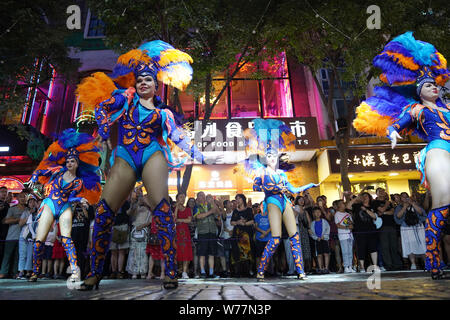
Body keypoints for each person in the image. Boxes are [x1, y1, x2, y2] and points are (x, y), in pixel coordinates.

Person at [76, 40, 218, 290]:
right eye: (140, 79)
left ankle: (170, 272)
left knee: (162, 209)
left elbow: (177, 137)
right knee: (103, 212)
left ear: (156, 86)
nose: (143, 82)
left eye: (148, 80)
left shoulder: (164, 115)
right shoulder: (125, 99)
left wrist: (202, 155)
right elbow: (100, 109)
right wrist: (104, 124)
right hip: (125, 156)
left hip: (152, 154)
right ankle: (95, 272)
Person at [353, 31, 450, 279]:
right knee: (444, 204)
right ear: (419, 91)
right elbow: (398, 125)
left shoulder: (447, 107)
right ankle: (433, 261)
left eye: (435, 85)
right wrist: (394, 133)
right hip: (437, 151)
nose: (434, 88)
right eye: (429, 86)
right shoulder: (416, 109)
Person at [242, 118, 319, 281]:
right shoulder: (261, 174)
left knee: (294, 236)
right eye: (269, 155)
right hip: (272, 202)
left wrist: (309, 185)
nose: (272, 158)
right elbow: (256, 188)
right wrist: (276, 188)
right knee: (276, 238)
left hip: (285, 201)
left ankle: (300, 271)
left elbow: (294, 189)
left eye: (274, 155)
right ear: (265, 158)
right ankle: (261, 270)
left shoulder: (282, 174)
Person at [26, 129, 101, 283]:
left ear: (77, 163)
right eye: (67, 161)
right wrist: (34, 177)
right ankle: (35, 272)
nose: (68, 163)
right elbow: (40, 172)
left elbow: (73, 197)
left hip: (65, 206)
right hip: (50, 204)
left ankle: (75, 270)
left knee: (67, 239)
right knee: (39, 240)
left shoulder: (79, 182)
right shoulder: (58, 171)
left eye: (72, 161)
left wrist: (80, 200)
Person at [394, 192, 427, 270]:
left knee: (422, 244)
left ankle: (426, 263)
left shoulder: (415, 204)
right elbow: (398, 216)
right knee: (410, 246)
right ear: (401, 198)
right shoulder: (399, 207)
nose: (405, 198)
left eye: (406, 196)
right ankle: (413, 263)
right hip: (406, 228)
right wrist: (404, 207)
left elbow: (421, 213)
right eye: (403, 197)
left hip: (418, 228)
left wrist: (413, 204)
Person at [0, 192, 28, 279]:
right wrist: (18, 219)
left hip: (23, 236)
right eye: (21, 197)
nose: (23, 198)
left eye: (24, 197)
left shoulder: (27, 209)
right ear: (17, 199)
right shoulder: (12, 209)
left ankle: (15, 273)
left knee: (18, 256)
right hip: (11, 236)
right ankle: (3, 272)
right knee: (7, 255)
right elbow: (5, 221)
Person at [373, 192, 403, 271]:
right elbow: (381, 209)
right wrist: (386, 205)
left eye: (383, 190)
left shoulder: (389, 203)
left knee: (394, 246)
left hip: (392, 225)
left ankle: (397, 264)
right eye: (380, 191)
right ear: (377, 194)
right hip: (382, 226)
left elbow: (392, 212)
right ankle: (388, 264)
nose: (382, 193)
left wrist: (384, 212)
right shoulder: (375, 202)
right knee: (385, 246)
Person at [126, 188, 151, 279]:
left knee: (144, 251)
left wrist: (144, 225)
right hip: (135, 229)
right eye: (138, 194)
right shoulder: (135, 205)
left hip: (144, 230)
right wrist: (134, 204)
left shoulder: (148, 207)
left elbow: (152, 218)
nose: (140, 196)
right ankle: (134, 272)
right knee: (134, 251)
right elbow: (128, 213)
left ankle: (143, 271)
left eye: (141, 194)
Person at [193, 192, 219, 278]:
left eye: (203, 196)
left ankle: (211, 272)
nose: (203, 197)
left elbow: (217, 213)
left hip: (212, 231)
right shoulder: (197, 207)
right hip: (202, 232)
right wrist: (210, 212)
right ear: (197, 198)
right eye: (200, 196)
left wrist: (213, 203)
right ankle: (203, 272)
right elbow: (199, 216)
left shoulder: (210, 205)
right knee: (202, 253)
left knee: (212, 253)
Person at [352, 192, 378, 272]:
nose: (364, 197)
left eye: (366, 196)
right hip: (360, 231)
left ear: (370, 197)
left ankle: (375, 266)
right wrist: (357, 198)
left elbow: (374, 216)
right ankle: (362, 267)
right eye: (363, 196)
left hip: (371, 230)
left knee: (373, 248)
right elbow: (348, 206)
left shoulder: (372, 206)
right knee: (361, 249)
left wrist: (366, 209)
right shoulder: (357, 206)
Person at [230, 194, 255, 277]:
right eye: (236, 199)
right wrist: (238, 222)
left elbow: (252, 221)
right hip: (237, 234)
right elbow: (232, 222)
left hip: (246, 234)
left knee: (247, 252)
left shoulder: (249, 210)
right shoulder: (235, 211)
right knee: (237, 252)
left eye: (239, 198)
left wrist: (245, 223)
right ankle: (238, 271)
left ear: (243, 199)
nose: (237, 200)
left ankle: (248, 271)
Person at [110, 199, 131, 279]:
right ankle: (113, 271)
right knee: (113, 251)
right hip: (113, 226)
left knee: (121, 250)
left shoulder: (125, 202)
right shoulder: (112, 201)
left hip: (123, 226)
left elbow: (128, 214)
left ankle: (120, 271)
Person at [174, 193, 193, 279]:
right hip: (176, 233)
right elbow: (173, 219)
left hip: (185, 233)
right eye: (181, 197)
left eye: (184, 197)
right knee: (177, 252)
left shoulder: (188, 209)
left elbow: (189, 220)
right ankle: (178, 270)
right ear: (177, 199)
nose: (183, 199)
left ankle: (185, 272)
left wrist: (179, 220)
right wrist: (177, 208)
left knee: (186, 252)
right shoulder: (174, 208)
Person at [334, 200, 355, 273]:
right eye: (342, 203)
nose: (344, 204)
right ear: (339, 205)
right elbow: (338, 225)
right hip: (343, 235)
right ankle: (346, 266)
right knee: (345, 251)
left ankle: (350, 266)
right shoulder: (337, 214)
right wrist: (346, 228)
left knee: (350, 251)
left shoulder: (347, 214)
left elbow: (351, 223)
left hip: (350, 235)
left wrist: (351, 226)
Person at [309, 207, 331, 274]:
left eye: (319, 212)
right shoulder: (312, 223)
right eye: (316, 212)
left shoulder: (324, 221)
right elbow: (311, 232)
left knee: (326, 253)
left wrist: (324, 236)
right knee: (319, 255)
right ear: (313, 214)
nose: (318, 213)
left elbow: (328, 229)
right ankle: (320, 268)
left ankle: (326, 268)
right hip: (317, 240)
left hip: (324, 239)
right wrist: (316, 238)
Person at [295, 196, 312, 274]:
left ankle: (308, 267)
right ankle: (300, 267)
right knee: (299, 249)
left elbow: (309, 222)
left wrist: (309, 228)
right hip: (297, 230)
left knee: (306, 249)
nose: (302, 201)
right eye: (300, 200)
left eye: (302, 200)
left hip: (304, 231)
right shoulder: (295, 209)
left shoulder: (305, 211)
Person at [146, 211, 165, 280]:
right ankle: (150, 273)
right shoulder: (153, 213)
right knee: (153, 255)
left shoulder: (153, 213)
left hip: (160, 234)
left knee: (160, 255)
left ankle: (161, 273)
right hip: (155, 235)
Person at [219, 200, 234, 278]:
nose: (231, 204)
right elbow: (223, 223)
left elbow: (235, 223)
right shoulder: (223, 214)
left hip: (234, 236)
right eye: (228, 203)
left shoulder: (234, 213)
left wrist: (232, 231)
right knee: (227, 255)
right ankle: (227, 270)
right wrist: (228, 231)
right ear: (225, 205)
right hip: (226, 236)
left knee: (233, 254)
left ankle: (234, 270)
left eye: (231, 203)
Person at [0, 186, 10, 271]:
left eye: (5, 192)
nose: (4, 194)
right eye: (2, 192)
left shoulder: (7, 204)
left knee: (3, 251)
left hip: (5, 231)